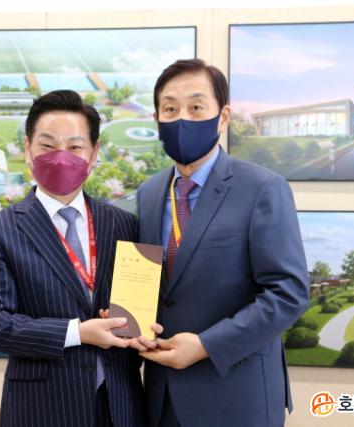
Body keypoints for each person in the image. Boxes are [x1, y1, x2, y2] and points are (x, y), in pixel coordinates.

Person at [134, 59, 309, 427]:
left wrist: (206, 346)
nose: (182, 119)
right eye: (170, 109)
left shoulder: (262, 188)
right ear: (157, 119)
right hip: (161, 397)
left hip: (235, 395)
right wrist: (126, 321)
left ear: (223, 117)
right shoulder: (148, 193)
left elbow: (288, 293)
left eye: (196, 107)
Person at [0, 90, 147, 427]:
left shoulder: (124, 225)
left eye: (75, 147)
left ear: (93, 153)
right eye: (48, 146)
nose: (61, 157)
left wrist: (145, 330)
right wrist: (77, 332)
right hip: (43, 409)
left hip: (120, 407)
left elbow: (137, 312)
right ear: (28, 149)